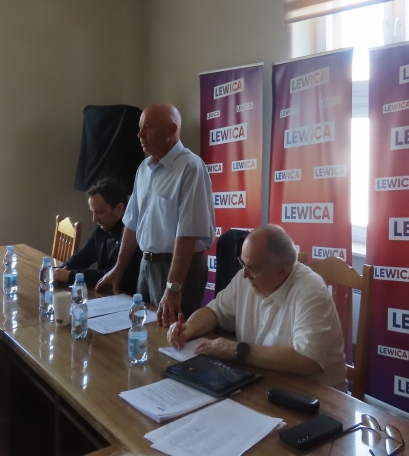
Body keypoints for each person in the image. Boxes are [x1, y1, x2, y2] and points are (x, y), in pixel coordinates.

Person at [168, 224, 348, 391]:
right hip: (264, 383)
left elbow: (307, 360)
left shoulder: (311, 292)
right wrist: (188, 328)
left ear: (283, 270)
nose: (244, 274)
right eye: (242, 264)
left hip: (316, 397)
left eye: (252, 268)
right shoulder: (245, 278)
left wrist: (238, 350)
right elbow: (215, 311)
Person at [97, 103, 215, 326]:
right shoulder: (144, 169)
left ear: (171, 130)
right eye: (140, 127)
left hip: (179, 271)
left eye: (147, 127)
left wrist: (173, 287)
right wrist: (118, 268)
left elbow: (187, 234)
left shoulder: (190, 167)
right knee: (145, 330)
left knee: (174, 335)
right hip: (147, 266)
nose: (140, 134)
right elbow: (132, 224)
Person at [53, 177, 142, 295]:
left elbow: (114, 275)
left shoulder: (132, 236)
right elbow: (82, 257)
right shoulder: (102, 229)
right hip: (105, 295)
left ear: (120, 209)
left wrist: (70, 276)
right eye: (93, 212)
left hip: (126, 297)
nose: (94, 219)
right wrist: (60, 270)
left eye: (100, 212)